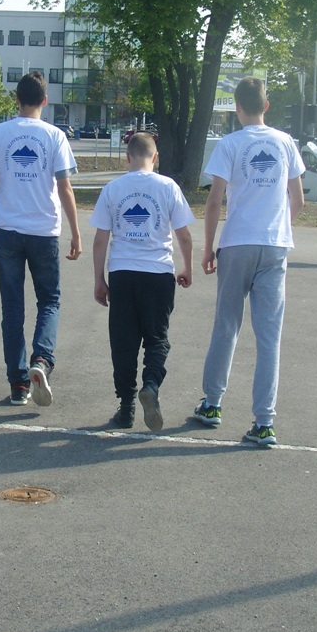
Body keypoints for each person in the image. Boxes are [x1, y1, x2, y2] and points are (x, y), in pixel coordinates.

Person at [194, 76, 304, 447]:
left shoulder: (230, 144)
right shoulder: (285, 142)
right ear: (266, 106)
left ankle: (212, 403)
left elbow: (214, 200)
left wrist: (208, 247)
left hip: (237, 242)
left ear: (237, 108)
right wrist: (279, 225)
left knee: (227, 325)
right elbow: (298, 200)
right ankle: (264, 421)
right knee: (269, 336)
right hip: (274, 246)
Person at [0, 72, 82, 406]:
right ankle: (41, 359)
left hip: (9, 229)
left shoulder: (0, 133)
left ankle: (18, 384)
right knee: (49, 300)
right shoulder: (54, 135)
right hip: (44, 230)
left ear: (16, 99)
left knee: (12, 308)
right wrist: (76, 232)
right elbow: (65, 187)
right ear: (45, 101)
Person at [90, 133, 194, 432]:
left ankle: (126, 407)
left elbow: (100, 240)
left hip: (123, 273)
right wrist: (187, 267)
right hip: (158, 272)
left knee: (123, 342)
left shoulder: (113, 189)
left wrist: (99, 280)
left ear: (127, 157)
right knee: (157, 338)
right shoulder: (168, 186)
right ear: (155, 157)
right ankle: (150, 385)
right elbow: (184, 235)